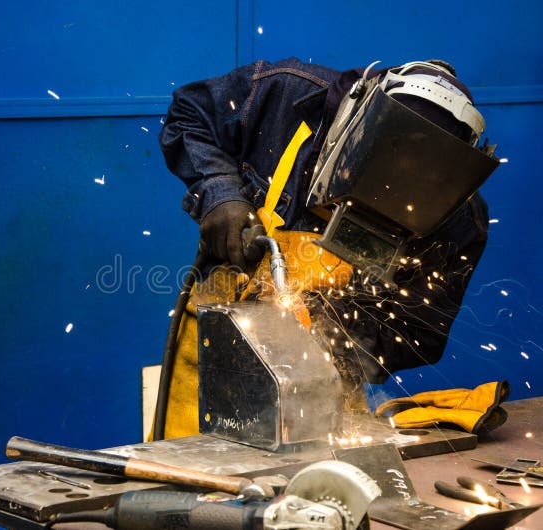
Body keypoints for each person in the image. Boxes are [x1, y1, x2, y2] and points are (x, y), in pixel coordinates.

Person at [156, 57, 493, 439]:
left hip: (318, 391)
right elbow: (188, 112)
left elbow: (418, 334)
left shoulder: (458, 216)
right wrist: (220, 191)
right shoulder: (283, 93)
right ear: (356, 123)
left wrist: (329, 331)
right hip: (208, 364)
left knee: (317, 494)